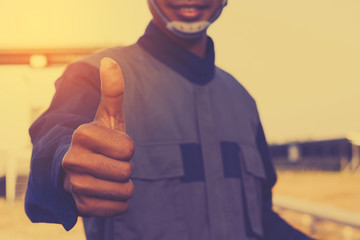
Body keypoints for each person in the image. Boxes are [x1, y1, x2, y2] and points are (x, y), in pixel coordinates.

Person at [25, 0, 314, 239]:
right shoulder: (94, 74)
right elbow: (54, 134)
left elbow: (261, 218)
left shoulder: (242, 99)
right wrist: (63, 163)